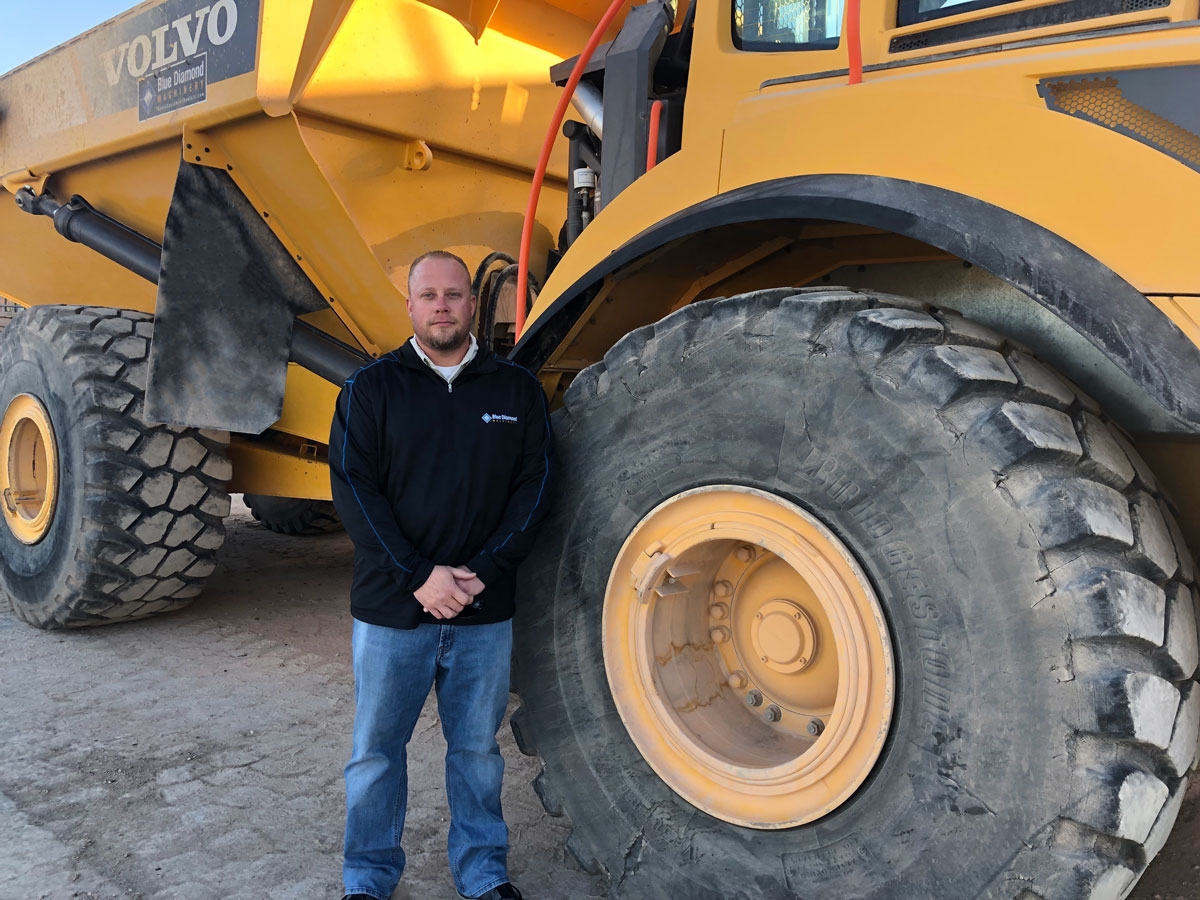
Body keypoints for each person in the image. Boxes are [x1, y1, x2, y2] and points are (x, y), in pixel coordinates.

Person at [330, 250, 553, 900]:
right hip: (394, 612)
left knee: (478, 755)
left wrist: (482, 572)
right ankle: (367, 881)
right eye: (428, 295)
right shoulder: (370, 389)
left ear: (472, 305)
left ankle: (484, 874)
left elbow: (534, 490)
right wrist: (420, 576)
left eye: (454, 295)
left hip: (483, 614)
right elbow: (354, 491)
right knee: (376, 754)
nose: (442, 306)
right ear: (409, 305)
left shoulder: (515, 392)